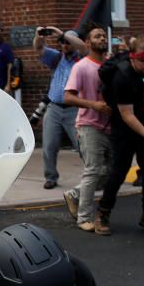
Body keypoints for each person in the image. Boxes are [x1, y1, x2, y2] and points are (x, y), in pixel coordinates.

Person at [94, 36, 144, 236]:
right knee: (119, 172)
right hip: (124, 128)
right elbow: (127, 115)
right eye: (143, 60)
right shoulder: (122, 77)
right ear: (133, 58)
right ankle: (103, 213)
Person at [61, 23, 112, 232]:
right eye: (97, 36)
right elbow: (67, 96)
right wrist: (93, 104)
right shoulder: (81, 67)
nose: (102, 39)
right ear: (88, 43)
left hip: (111, 126)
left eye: (103, 36)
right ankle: (84, 218)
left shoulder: (111, 65)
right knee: (93, 171)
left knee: (111, 172)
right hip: (88, 124)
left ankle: (75, 194)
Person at [34, 25, 87, 189]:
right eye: (62, 42)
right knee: (49, 145)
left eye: (67, 42)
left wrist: (61, 33)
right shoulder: (56, 57)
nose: (64, 45)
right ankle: (51, 177)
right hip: (54, 108)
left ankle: (93, 176)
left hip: (75, 110)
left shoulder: (82, 59)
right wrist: (39, 35)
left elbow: (83, 47)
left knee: (82, 145)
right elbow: (38, 47)